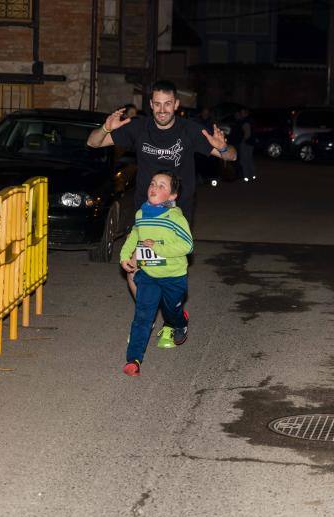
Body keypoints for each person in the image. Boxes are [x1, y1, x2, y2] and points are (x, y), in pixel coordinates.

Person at [86, 80, 237, 228]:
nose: (162, 110)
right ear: (151, 104)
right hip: (145, 209)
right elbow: (93, 142)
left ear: (176, 104)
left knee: (172, 252)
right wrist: (105, 128)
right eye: (157, 104)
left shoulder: (190, 130)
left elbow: (232, 156)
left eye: (168, 103)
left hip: (178, 210)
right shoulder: (138, 127)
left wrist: (223, 148)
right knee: (141, 250)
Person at [119, 171, 192, 376]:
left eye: (162, 186)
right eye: (152, 183)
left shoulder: (175, 218)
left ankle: (180, 321)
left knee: (171, 312)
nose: (154, 188)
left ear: (172, 196)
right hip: (149, 275)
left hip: (173, 276)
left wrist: (159, 248)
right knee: (143, 315)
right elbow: (134, 235)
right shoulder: (141, 214)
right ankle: (133, 359)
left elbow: (187, 245)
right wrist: (125, 256)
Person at [235, 107, 256, 181]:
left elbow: (247, 133)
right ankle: (252, 175)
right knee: (249, 159)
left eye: (242, 113)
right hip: (251, 142)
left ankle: (247, 176)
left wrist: (242, 141)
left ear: (245, 113)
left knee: (244, 160)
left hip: (246, 143)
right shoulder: (250, 120)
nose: (241, 114)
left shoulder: (245, 121)